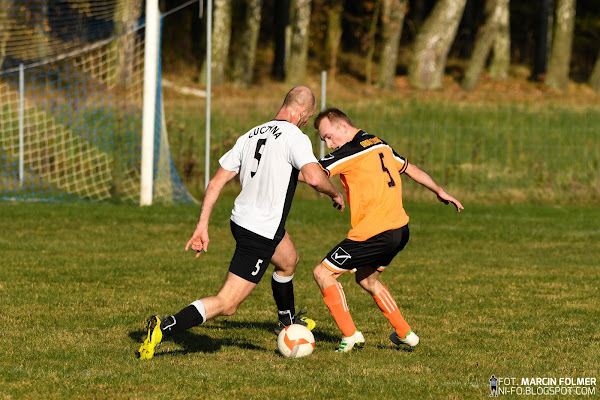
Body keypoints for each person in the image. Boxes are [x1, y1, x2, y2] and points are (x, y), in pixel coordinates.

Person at [138, 87, 345, 360]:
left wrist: (202, 225)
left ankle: (286, 322)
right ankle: (164, 327)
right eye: (307, 118)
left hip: (243, 221)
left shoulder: (251, 135)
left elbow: (215, 183)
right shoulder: (295, 136)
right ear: (301, 112)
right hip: (260, 232)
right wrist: (335, 193)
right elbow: (315, 178)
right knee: (227, 303)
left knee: (288, 260)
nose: (305, 123)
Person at [311, 107, 463, 352]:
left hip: (374, 232)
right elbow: (410, 168)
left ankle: (350, 335)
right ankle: (406, 334)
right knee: (367, 279)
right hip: (400, 230)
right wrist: (439, 190)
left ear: (342, 127)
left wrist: (284, 170)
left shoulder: (350, 151)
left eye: (329, 136)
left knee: (323, 273)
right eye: (324, 140)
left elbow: (312, 174)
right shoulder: (378, 143)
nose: (329, 145)